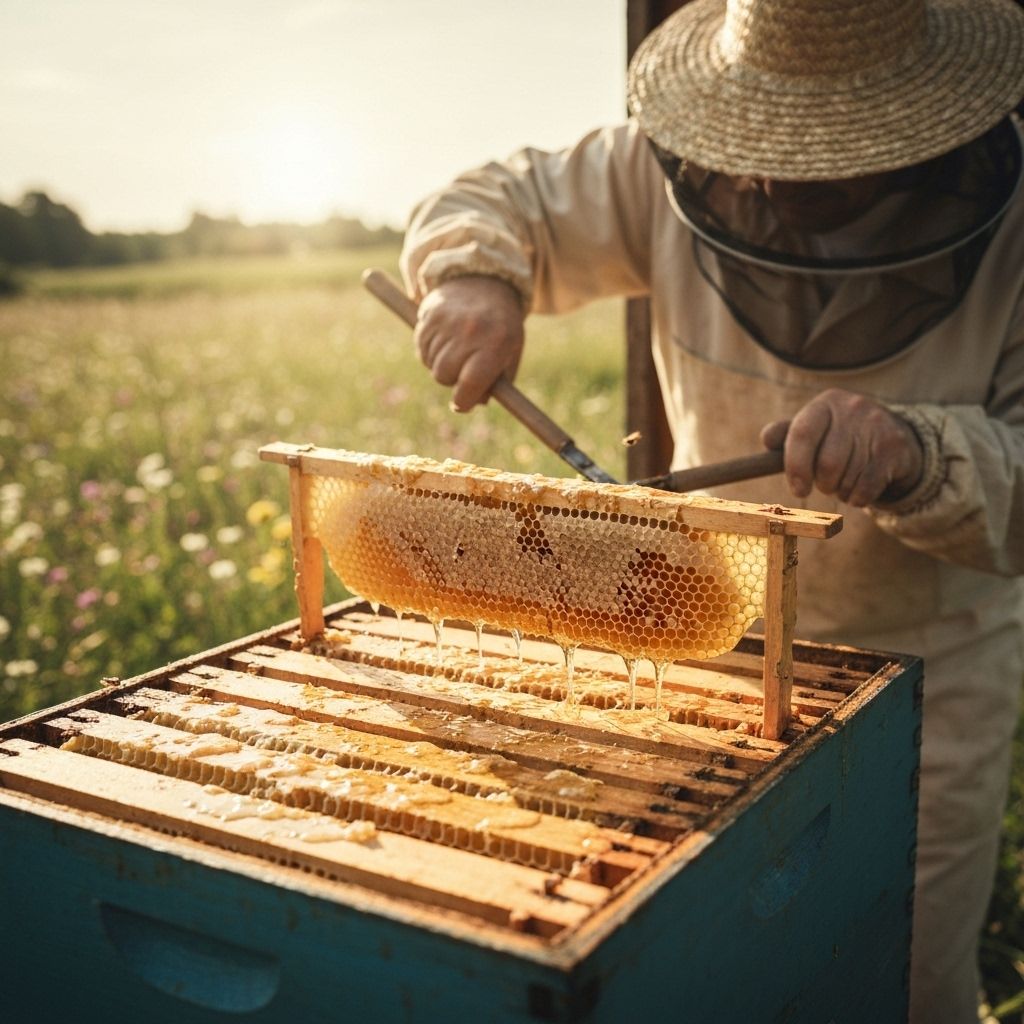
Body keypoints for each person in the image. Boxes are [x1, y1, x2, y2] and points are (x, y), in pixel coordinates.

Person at [398, 0, 1024, 1020]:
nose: (775, 177)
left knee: (900, 978)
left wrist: (917, 453)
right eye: (764, 136)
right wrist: (476, 273)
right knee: (712, 965)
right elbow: (501, 196)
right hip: (705, 651)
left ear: (919, 132)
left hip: (928, 680)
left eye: (824, 148)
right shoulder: (660, 168)